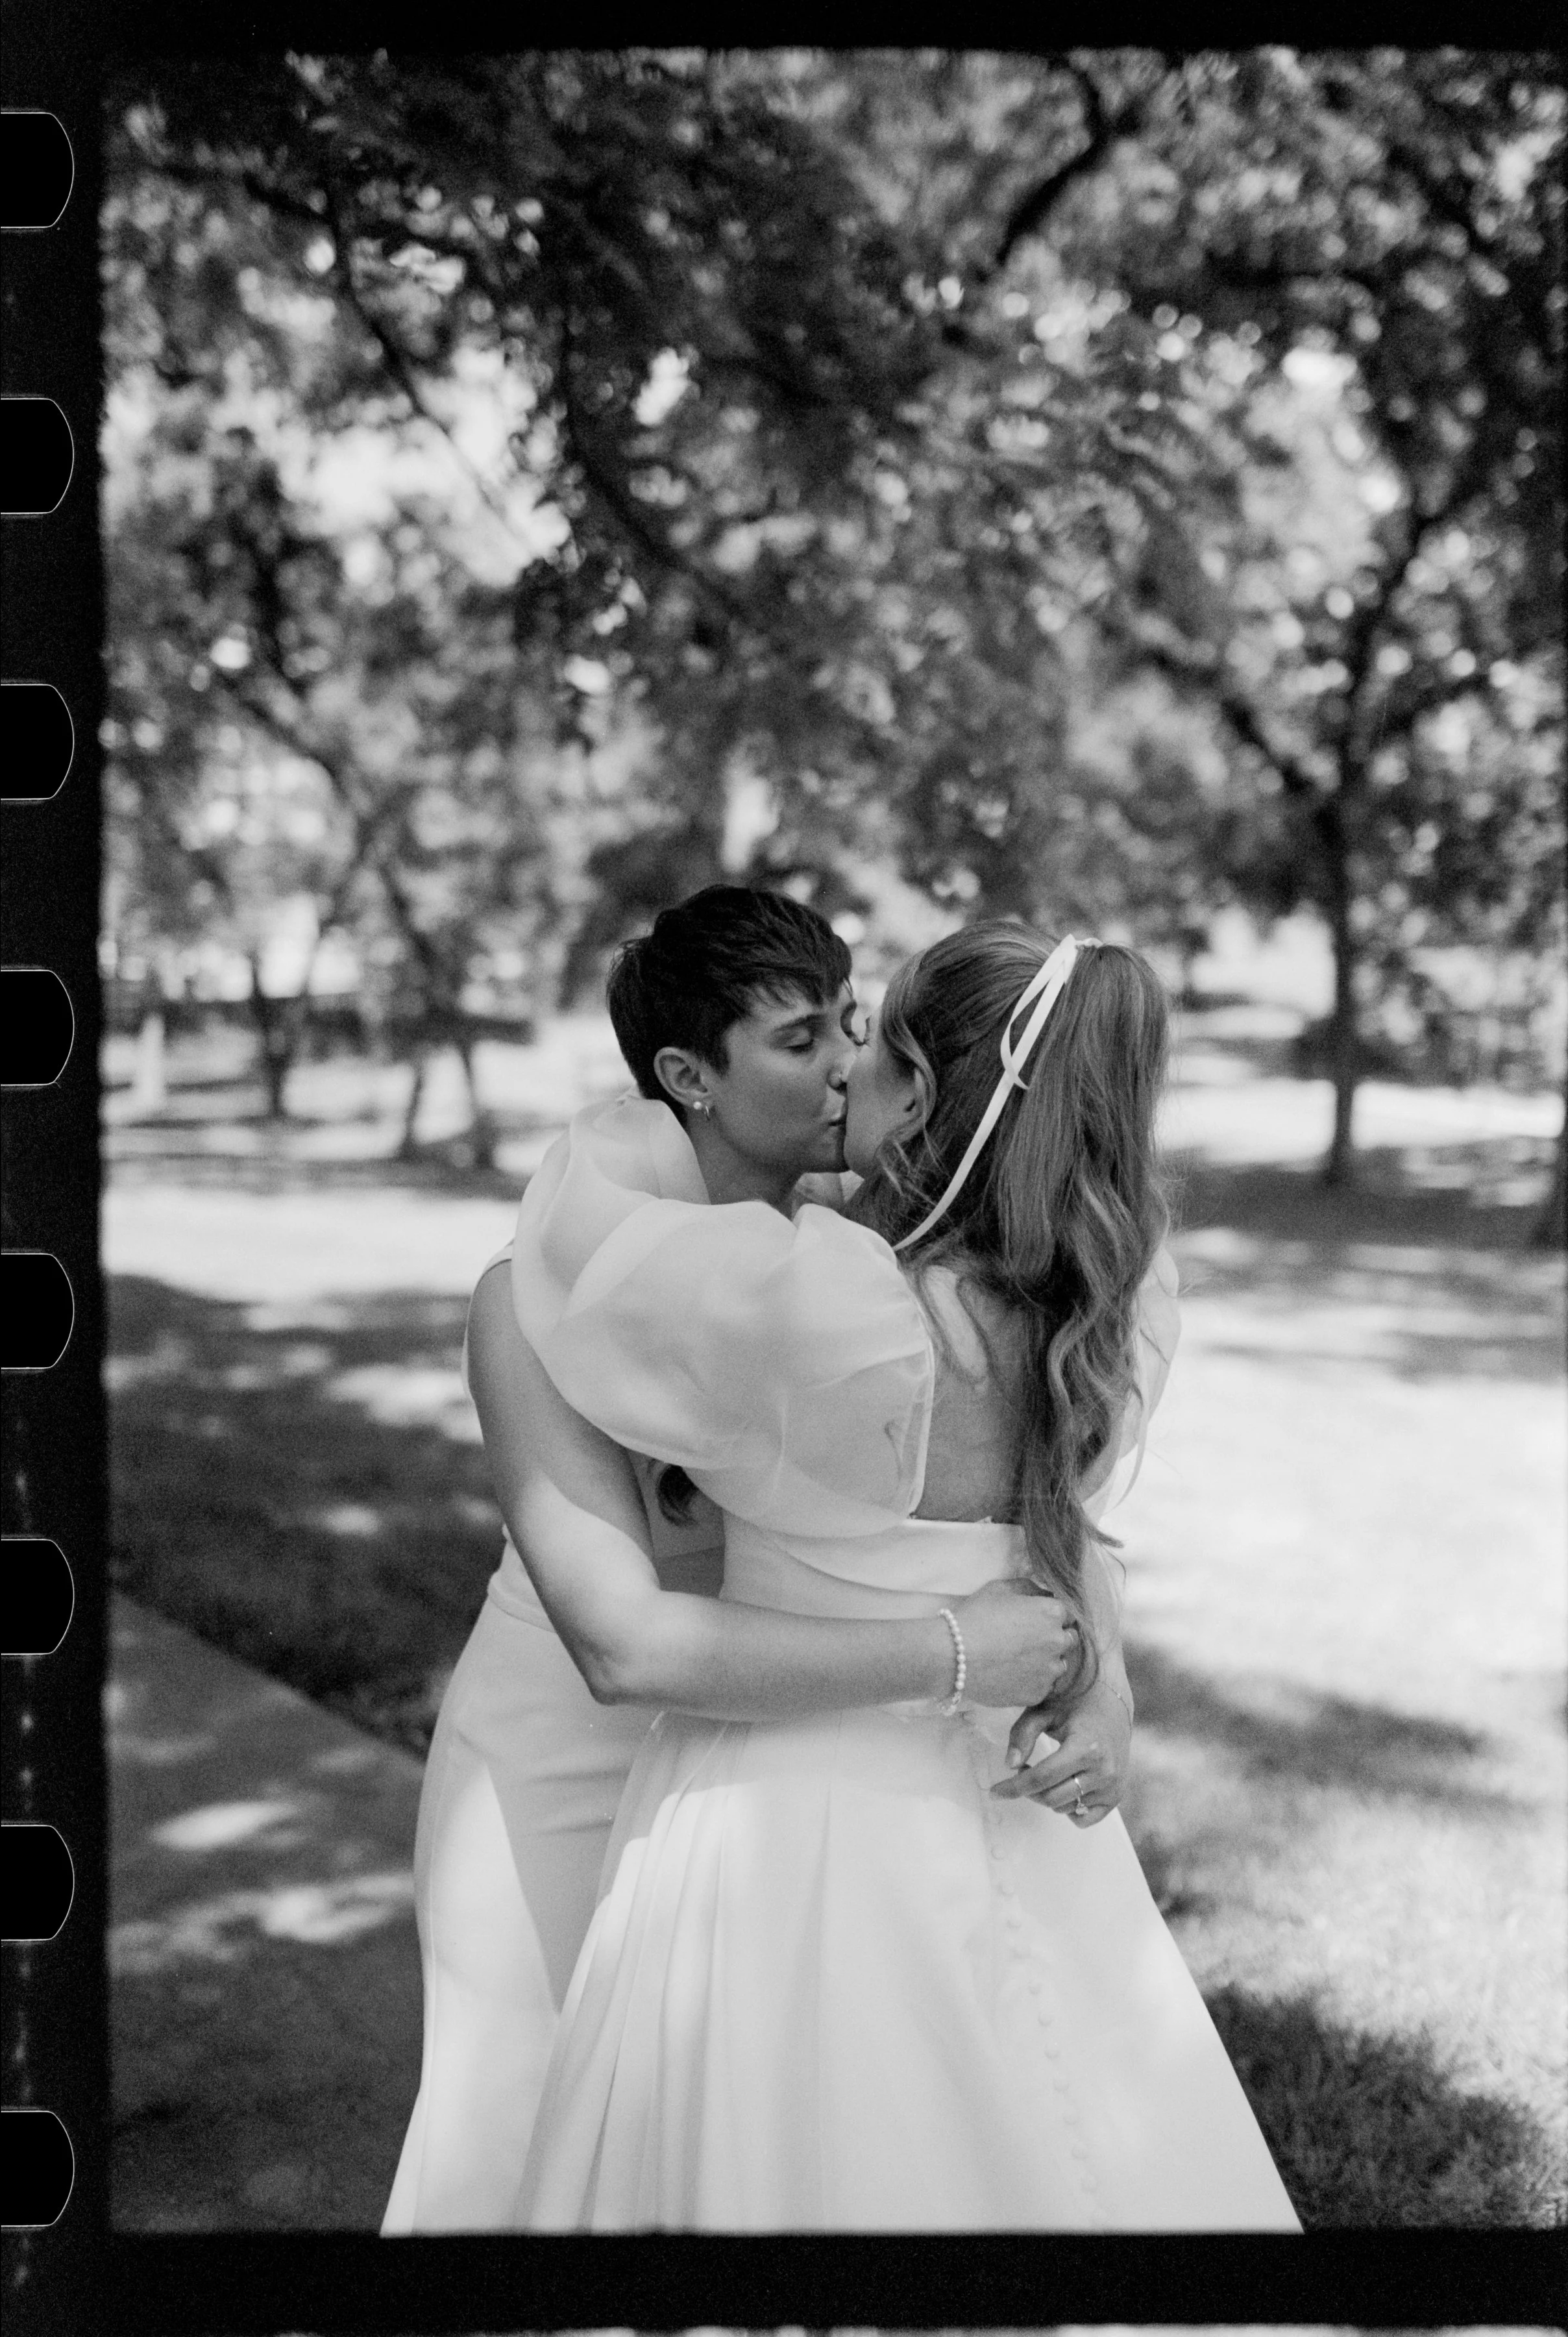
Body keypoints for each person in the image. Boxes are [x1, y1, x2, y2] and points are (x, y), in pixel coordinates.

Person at [509, 920, 1301, 2231]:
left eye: (868, 1036)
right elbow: (1065, 1531)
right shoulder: (1091, 1301)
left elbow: (586, 1242)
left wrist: (646, 1124)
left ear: (927, 1094)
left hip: (788, 1821)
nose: (841, 1070)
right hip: (1022, 1806)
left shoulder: (823, 1312)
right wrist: (1105, 1699)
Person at [383, 891, 1124, 2231]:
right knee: (525, 2151)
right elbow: (623, 1646)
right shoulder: (530, 1298)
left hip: (771, 1754)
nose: (849, 1059)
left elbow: (1019, 1491)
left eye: (850, 1019)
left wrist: (1100, 1679)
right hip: (570, 1745)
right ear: (689, 1079)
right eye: (799, 1037)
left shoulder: (868, 1261)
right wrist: (965, 1652)